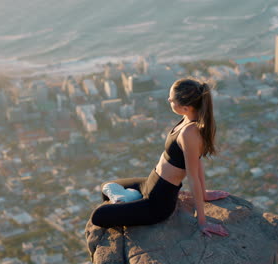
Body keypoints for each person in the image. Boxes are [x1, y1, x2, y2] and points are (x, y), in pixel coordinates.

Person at [90, 78, 230, 237]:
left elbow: (193, 176)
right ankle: (128, 200)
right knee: (107, 186)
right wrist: (204, 193)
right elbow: (197, 160)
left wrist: (202, 222)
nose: (169, 100)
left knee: (99, 215)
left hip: (158, 203)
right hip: (151, 182)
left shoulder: (189, 133)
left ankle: (128, 201)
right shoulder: (187, 119)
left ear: (185, 107)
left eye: (172, 100)